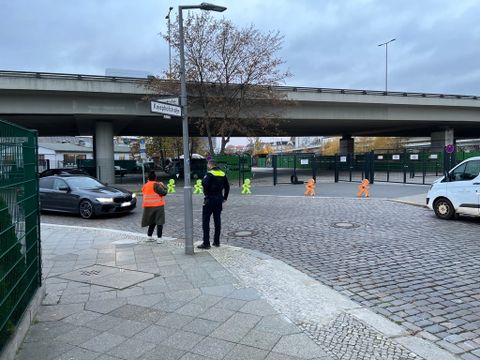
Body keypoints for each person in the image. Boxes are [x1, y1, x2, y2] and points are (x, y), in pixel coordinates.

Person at [197, 160, 230, 249]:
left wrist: (206, 193)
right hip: (219, 199)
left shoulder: (209, 173)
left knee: (206, 221)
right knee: (217, 220)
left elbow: (204, 183)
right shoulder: (222, 174)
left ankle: (206, 243)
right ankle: (216, 242)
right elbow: (227, 187)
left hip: (209, 199)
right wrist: (225, 198)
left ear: (210, 165)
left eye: (208, 164)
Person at [141, 171, 168, 242]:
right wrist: (163, 186)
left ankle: (149, 236)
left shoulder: (145, 185)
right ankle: (159, 238)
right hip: (158, 206)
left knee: (152, 222)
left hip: (148, 206)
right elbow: (164, 193)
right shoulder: (156, 185)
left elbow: (143, 191)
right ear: (155, 178)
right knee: (159, 222)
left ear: (148, 178)